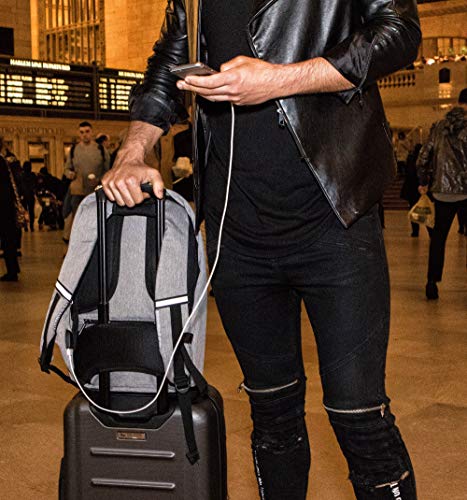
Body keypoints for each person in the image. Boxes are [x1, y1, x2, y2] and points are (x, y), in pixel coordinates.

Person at [102, 1, 421, 499]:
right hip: (237, 233)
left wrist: (278, 80)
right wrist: (132, 151)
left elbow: (398, 31)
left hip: (335, 220)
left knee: (360, 418)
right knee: (273, 415)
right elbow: (167, 64)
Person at [417, 89, 467, 300]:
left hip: (441, 193)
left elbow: (423, 157)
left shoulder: (438, 127)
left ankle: (431, 283)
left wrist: (423, 181)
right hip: (466, 192)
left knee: (438, 240)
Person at [63, 122, 110, 240]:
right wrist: (70, 174)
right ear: (78, 134)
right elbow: (67, 168)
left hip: (96, 190)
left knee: (96, 217)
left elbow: (108, 170)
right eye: (82, 132)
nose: (85, 135)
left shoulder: (101, 150)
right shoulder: (74, 150)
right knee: (78, 218)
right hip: (78, 191)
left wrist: (99, 179)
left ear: (92, 132)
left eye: (87, 131)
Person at [0, 138, 20, 281]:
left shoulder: (1, 162)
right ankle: (13, 269)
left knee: (7, 239)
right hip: (7, 205)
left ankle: (12, 271)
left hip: (3, 206)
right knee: (9, 238)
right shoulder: (5, 162)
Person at [401, 143, 424, 237]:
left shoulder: (410, 158)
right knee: (425, 208)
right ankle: (430, 231)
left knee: (413, 208)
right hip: (420, 187)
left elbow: (408, 172)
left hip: (411, 188)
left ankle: (415, 230)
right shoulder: (422, 159)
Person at [20, 161, 37, 232]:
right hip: (31, 195)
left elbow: (20, 186)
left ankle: (25, 226)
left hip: (23, 196)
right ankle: (31, 226)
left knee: (25, 211)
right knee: (31, 211)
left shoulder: (21, 175)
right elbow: (35, 184)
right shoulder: (33, 175)